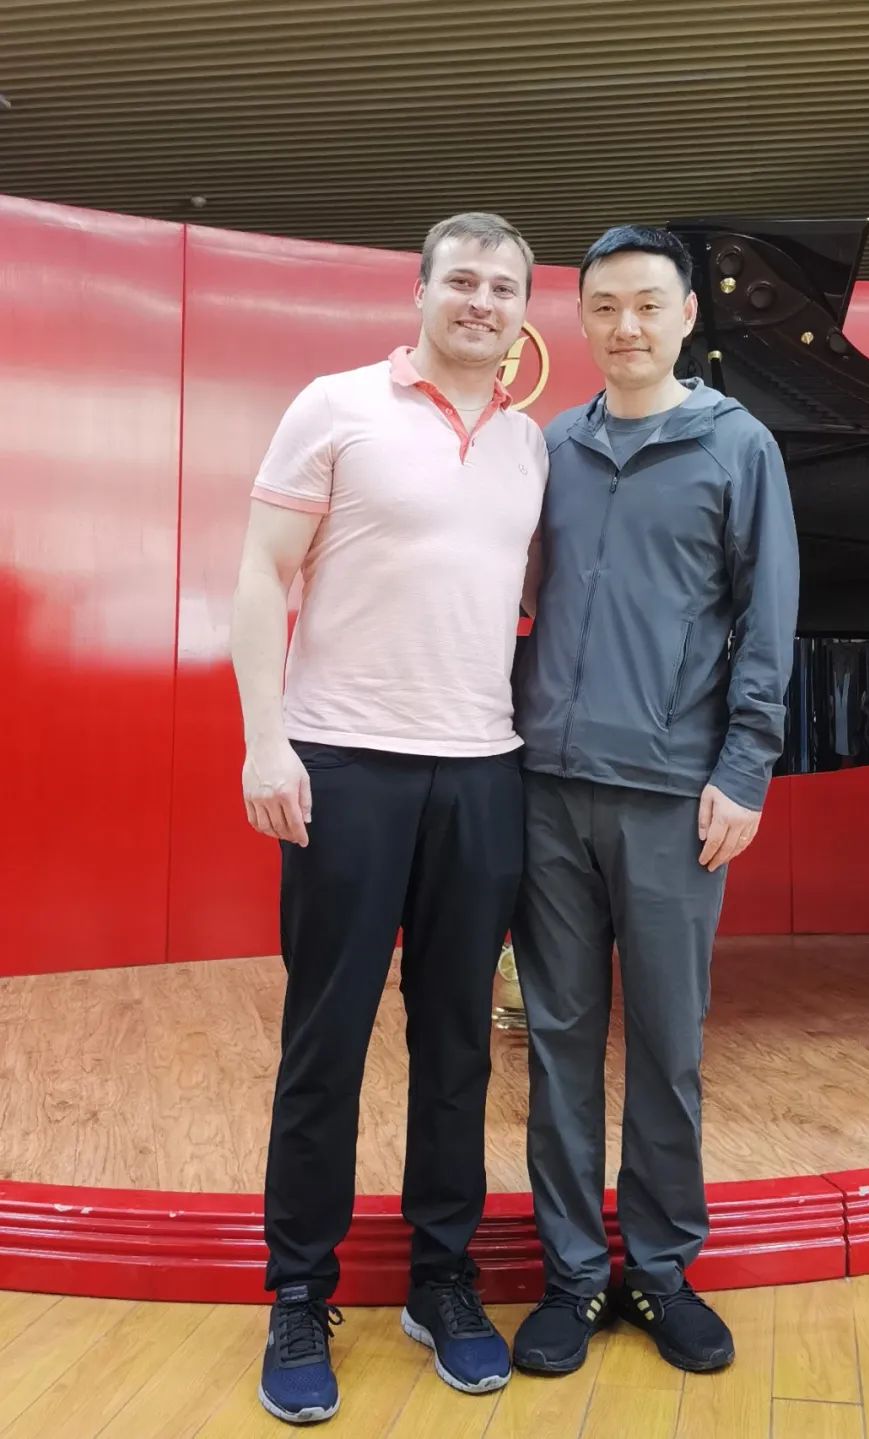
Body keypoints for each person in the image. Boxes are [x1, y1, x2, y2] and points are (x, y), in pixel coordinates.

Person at [230, 212, 547, 1424]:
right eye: (461, 279)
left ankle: (441, 1280)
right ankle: (298, 1292)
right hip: (345, 765)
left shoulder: (528, 443)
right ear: (420, 291)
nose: (481, 300)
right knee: (327, 1040)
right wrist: (267, 739)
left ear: (523, 312)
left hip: (482, 772)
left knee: (459, 1042)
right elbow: (261, 572)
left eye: (503, 286)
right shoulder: (337, 405)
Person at [510, 225, 799, 1377]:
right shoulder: (551, 446)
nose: (625, 325)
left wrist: (745, 768)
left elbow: (768, 621)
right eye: (604, 306)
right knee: (559, 1042)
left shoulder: (739, 446)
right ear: (581, 318)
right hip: (546, 789)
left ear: (686, 315)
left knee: (669, 1046)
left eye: (647, 304)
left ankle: (663, 1270)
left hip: (675, 796)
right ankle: (574, 1274)